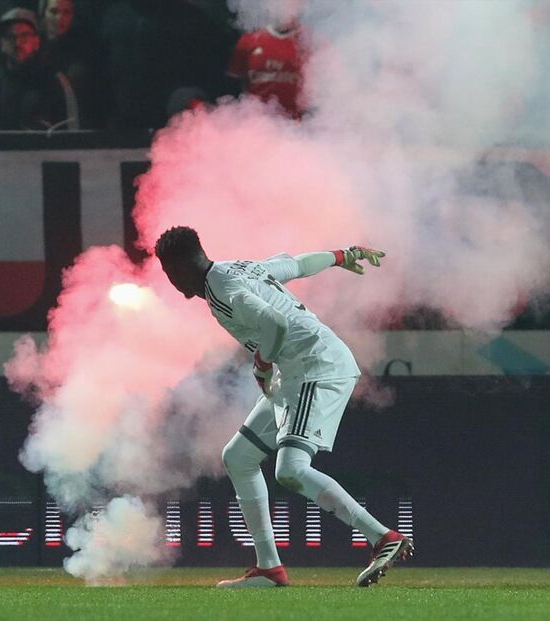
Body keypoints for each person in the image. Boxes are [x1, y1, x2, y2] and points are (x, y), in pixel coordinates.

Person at [154, 226, 412, 588]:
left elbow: (274, 323)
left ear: (177, 270)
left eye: (168, 273)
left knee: (290, 470)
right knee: (238, 458)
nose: (171, 282)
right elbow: (296, 265)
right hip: (295, 372)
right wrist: (342, 255)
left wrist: (262, 365)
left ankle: (383, 537)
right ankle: (269, 569)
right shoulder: (237, 268)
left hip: (315, 367)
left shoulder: (224, 289)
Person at [0, 8, 78, 130]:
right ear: (2, 43)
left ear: (36, 42)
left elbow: (71, 130)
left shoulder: (54, 82)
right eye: (10, 36)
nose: (17, 43)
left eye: (24, 35)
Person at [226, 19, 304, 119]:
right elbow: (233, 85)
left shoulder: (306, 43)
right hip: (256, 121)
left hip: (294, 123)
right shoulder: (250, 39)